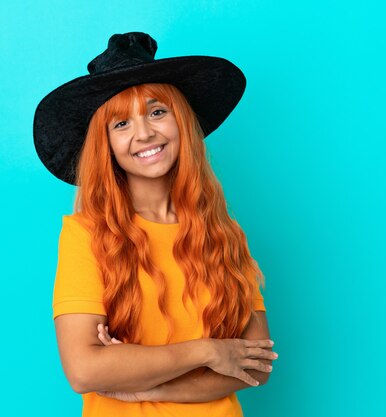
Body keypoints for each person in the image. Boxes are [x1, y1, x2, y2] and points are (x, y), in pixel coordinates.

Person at [33, 32, 278, 417]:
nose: (144, 133)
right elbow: (83, 370)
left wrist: (146, 381)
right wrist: (209, 351)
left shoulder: (225, 233)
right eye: (121, 124)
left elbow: (256, 365)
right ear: (107, 145)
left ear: (182, 121)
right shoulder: (86, 235)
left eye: (157, 112)